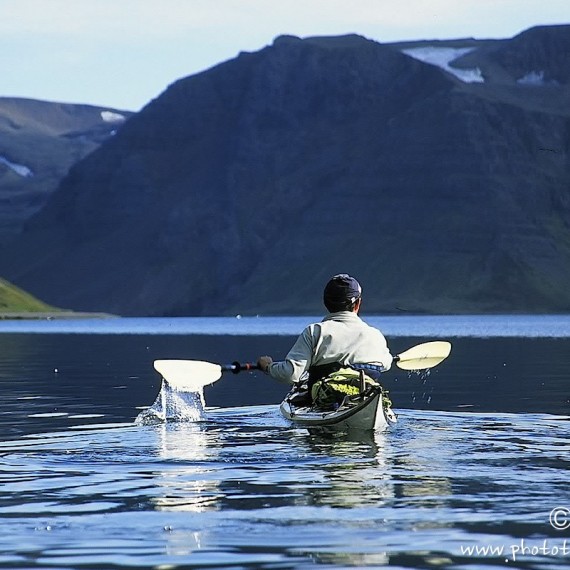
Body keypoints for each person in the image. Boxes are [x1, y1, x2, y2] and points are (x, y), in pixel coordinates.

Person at [257, 274, 392, 385]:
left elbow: (291, 374)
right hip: (365, 395)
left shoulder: (314, 332)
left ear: (325, 303)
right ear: (358, 304)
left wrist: (268, 367)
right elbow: (386, 364)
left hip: (326, 403)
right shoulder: (375, 335)